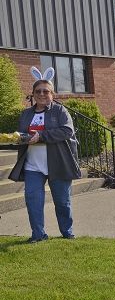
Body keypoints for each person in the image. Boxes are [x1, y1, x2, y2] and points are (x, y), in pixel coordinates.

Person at [9, 76, 81, 243]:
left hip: (58, 164)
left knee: (62, 201)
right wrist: (18, 138)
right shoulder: (26, 114)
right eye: (38, 91)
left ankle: (67, 232)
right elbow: (23, 135)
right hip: (33, 166)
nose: (41, 94)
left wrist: (41, 136)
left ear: (52, 94)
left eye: (45, 91)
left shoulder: (60, 111)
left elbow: (67, 131)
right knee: (33, 200)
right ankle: (38, 235)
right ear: (33, 94)